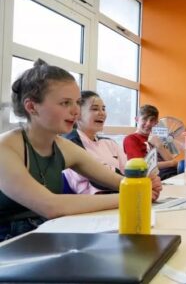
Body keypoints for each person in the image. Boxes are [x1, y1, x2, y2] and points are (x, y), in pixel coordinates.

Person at [0, 59, 161, 241]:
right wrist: (135, 195)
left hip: (42, 235)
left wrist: (144, 185)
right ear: (31, 106)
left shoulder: (63, 146)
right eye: (65, 103)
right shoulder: (5, 148)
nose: (75, 111)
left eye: (77, 102)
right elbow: (51, 206)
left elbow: (121, 182)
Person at [62, 91, 127, 194]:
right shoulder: (70, 142)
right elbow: (98, 180)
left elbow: (129, 169)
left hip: (121, 194)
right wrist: (134, 183)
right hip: (93, 204)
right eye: (95, 109)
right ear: (77, 114)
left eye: (103, 109)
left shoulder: (110, 143)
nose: (102, 113)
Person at [123, 104, 178, 180]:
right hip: (152, 176)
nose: (148, 123)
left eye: (152, 120)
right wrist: (171, 164)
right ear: (136, 119)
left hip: (169, 172)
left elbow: (171, 160)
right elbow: (140, 166)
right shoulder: (131, 139)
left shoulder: (156, 138)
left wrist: (159, 146)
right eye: (145, 119)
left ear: (156, 123)